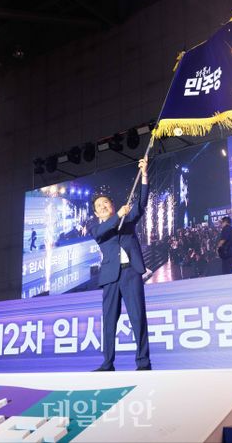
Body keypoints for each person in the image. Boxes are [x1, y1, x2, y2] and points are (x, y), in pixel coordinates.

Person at [90, 157, 151, 371]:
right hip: (110, 278)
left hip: (131, 273)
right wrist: (118, 215)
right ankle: (107, 363)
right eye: (99, 206)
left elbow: (141, 204)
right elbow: (103, 230)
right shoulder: (96, 228)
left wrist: (144, 175)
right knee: (109, 321)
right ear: (96, 213)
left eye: (105, 203)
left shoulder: (127, 220)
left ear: (112, 204)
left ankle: (143, 362)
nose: (102, 206)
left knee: (138, 317)